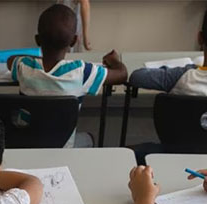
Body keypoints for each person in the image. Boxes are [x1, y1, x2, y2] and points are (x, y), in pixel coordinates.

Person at [7, 3, 127, 146]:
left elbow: (11, 60)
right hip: (63, 147)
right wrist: (115, 61)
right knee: (89, 138)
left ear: (37, 40)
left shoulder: (24, 66)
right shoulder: (82, 71)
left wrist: (35, 59)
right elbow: (122, 75)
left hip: (27, 144)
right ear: (74, 41)